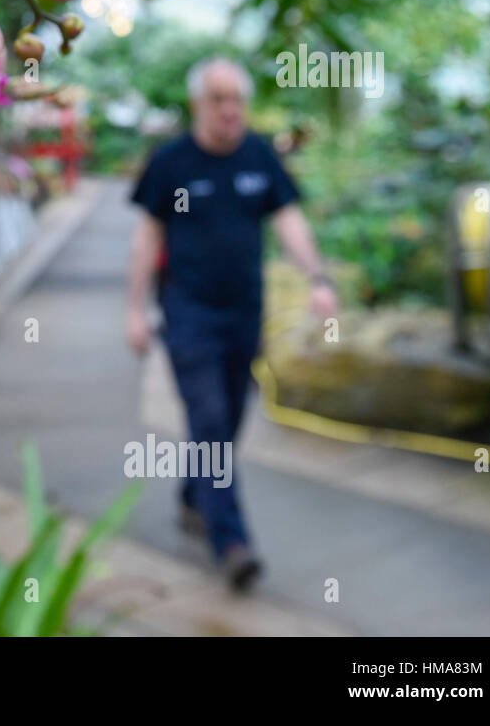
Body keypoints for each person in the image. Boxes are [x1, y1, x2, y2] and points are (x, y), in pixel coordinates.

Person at [125, 57, 338, 591]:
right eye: (217, 99)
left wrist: (318, 277)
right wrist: (134, 312)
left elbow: (287, 217)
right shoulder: (172, 163)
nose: (228, 110)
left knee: (231, 416)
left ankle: (196, 496)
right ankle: (232, 542)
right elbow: (147, 238)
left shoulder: (258, 155)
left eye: (236, 99)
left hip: (245, 307)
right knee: (210, 417)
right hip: (187, 310)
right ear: (199, 105)